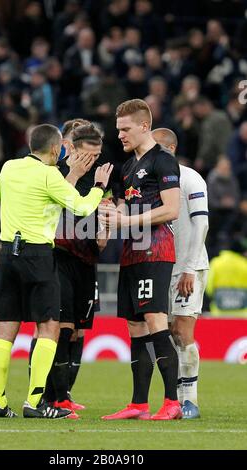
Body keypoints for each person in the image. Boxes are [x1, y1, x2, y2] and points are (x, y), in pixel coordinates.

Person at [0, 123, 113, 419]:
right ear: (57, 149)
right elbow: (82, 208)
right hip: (38, 254)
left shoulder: (8, 167)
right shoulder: (49, 176)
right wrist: (97, 186)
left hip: (8, 251)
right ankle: (34, 403)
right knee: (48, 327)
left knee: (6, 328)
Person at [99, 99, 181, 420]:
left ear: (144, 126)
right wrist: (111, 210)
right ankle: (138, 404)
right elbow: (126, 207)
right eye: (118, 129)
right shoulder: (129, 166)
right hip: (131, 252)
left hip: (156, 250)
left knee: (155, 321)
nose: (119, 135)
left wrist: (125, 221)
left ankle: (172, 402)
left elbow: (171, 209)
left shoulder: (163, 160)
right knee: (135, 326)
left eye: (125, 129)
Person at [29, 120, 110, 419]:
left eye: (96, 156)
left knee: (76, 330)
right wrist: (76, 174)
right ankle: (53, 397)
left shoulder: (100, 176)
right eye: (87, 155)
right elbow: (61, 205)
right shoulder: (56, 173)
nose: (93, 161)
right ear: (71, 149)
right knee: (57, 328)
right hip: (57, 255)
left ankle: (63, 394)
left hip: (86, 260)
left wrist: (104, 229)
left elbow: (105, 207)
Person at [152, 128, 209, 419]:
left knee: (182, 330)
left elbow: (202, 225)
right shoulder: (152, 179)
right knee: (166, 334)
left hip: (189, 267)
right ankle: (173, 400)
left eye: (158, 146)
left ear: (172, 148)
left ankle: (191, 402)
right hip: (161, 266)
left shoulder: (190, 178)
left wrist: (189, 268)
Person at [206, 238, 247, 318]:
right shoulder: (245, 265)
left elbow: (208, 286)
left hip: (219, 312)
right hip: (242, 314)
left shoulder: (216, 263)